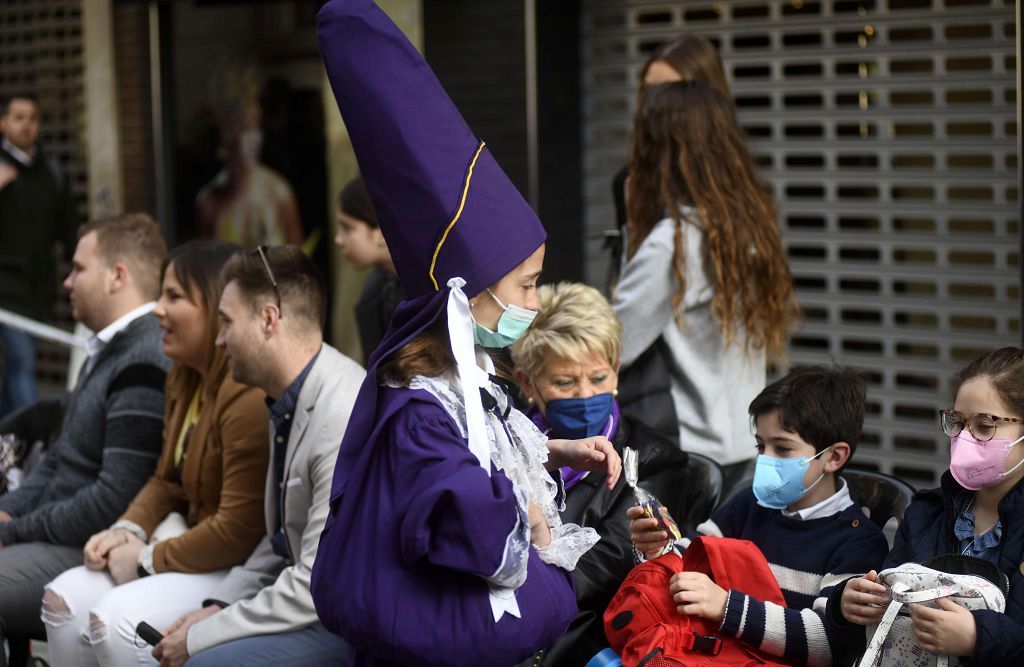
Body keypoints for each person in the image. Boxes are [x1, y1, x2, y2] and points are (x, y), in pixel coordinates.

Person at [312, 2, 621, 665]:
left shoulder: (460, 375)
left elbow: (496, 444)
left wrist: (558, 452)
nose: (534, 303)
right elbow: (470, 525)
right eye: (526, 284)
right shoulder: (419, 402)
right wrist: (533, 522)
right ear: (467, 294)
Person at [42, 241, 270, 667]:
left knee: (112, 620)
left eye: (174, 296)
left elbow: (239, 530)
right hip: (184, 544)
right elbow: (165, 478)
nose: (157, 310)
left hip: (235, 566)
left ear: (217, 306)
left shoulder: (245, 393)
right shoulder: (184, 375)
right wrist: (126, 529)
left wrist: (147, 559)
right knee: (62, 599)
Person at [150, 245, 365, 667]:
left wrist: (202, 636)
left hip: (350, 625)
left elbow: (312, 581)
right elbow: (281, 541)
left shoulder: (340, 414)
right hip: (313, 606)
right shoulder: (287, 393)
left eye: (226, 322)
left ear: (269, 319)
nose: (218, 339)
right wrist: (218, 605)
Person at [630, 366, 889, 666]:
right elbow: (689, 561)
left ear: (833, 457)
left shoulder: (858, 541)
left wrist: (727, 607)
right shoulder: (749, 505)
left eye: (782, 448)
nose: (764, 459)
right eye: (760, 445)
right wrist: (656, 548)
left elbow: (826, 643)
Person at [0, 214, 168, 667]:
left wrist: (11, 530)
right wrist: (9, 510)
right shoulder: (108, 349)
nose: (68, 281)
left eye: (78, 268)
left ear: (118, 276)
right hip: (55, 534)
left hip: (88, 548)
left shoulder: (144, 358)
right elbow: (58, 459)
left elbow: (115, 499)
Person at [613, 80, 798, 487]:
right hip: (747, 446)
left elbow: (613, 344)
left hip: (692, 460)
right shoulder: (746, 228)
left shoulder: (675, 242)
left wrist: (631, 234)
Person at [510, 282, 689, 667]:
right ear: (527, 383)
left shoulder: (654, 461)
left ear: (616, 374)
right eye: (564, 382)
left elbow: (594, 575)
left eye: (597, 378)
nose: (585, 394)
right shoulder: (508, 439)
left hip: (575, 644)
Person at [832, 347, 1024, 666]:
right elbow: (885, 622)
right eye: (958, 423)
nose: (964, 438)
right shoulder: (927, 514)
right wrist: (847, 606)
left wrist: (978, 638)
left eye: (985, 425)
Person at [609, 36, 731, 282]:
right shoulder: (631, 177)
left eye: (669, 91)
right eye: (648, 90)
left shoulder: (731, 181)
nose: (652, 103)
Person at [0, 92, 79, 416]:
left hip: (39, 289)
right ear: (3, 122)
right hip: (5, 289)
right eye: (18, 117)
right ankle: (36, 445)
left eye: (32, 118)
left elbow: (69, 230)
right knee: (22, 364)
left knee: (16, 367)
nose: (26, 125)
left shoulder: (51, 172)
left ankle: (7, 444)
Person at [195, 67, 304, 248]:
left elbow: (297, 262)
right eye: (245, 129)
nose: (255, 138)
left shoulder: (279, 192)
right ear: (227, 134)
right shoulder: (209, 202)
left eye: (257, 127)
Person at [334, 176, 403, 363]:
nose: (338, 240)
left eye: (347, 228)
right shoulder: (375, 291)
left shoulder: (429, 290)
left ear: (380, 229)